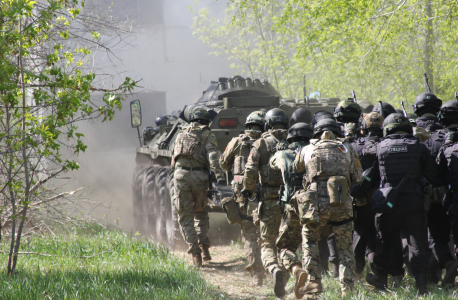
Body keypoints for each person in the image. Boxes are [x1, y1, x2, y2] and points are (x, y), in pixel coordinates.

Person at [365, 113, 438, 295]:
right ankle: (421, 286)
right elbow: (433, 174)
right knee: (417, 243)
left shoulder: (380, 147)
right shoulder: (418, 146)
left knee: (385, 241)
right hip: (414, 201)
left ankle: (381, 281)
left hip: (388, 202)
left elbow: (371, 173)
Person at [293, 118, 363, 298]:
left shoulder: (308, 149)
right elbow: (358, 178)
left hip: (315, 205)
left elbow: (296, 167)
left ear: (316, 132)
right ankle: (347, 290)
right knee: (345, 248)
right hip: (342, 204)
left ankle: (314, 281)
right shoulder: (347, 148)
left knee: (309, 240)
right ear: (337, 132)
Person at [242, 108, 290, 298]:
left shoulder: (261, 142)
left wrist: (248, 189)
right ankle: (284, 280)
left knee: (268, 242)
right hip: (291, 201)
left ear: (268, 124)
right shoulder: (293, 140)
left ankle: (272, 269)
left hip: (268, 200)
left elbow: (250, 170)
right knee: (287, 244)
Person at [171, 107, 226, 268]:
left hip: (180, 176)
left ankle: (195, 253)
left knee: (185, 216)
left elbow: (173, 157)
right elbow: (213, 156)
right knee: (201, 213)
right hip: (200, 178)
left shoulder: (181, 132)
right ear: (206, 120)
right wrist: (220, 175)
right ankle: (204, 247)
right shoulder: (207, 133)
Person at [219, 111, 266, 285]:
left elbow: (223, 163)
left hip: (244, 193)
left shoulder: (237, 141)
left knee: (249, 233)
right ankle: (272, 267)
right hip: (266, 192)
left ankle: (256, 274)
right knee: (268, 232)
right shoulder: (267, 141)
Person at [272, 122, 313, 298]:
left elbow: (273, 164)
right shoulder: (314, 150)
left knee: (283, 247)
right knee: (311, 245)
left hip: (293, 206)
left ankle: (296, 269)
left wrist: (280, 150)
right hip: (314, 205)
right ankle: (313, 284)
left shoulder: (283, 154)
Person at [350, 112, 383, 281]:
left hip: (362, 200)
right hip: (385, 199)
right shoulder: (386, 143)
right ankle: (380, 270)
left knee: (360, 235)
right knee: (382, 234)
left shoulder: (355, 146)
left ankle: (356, 274)